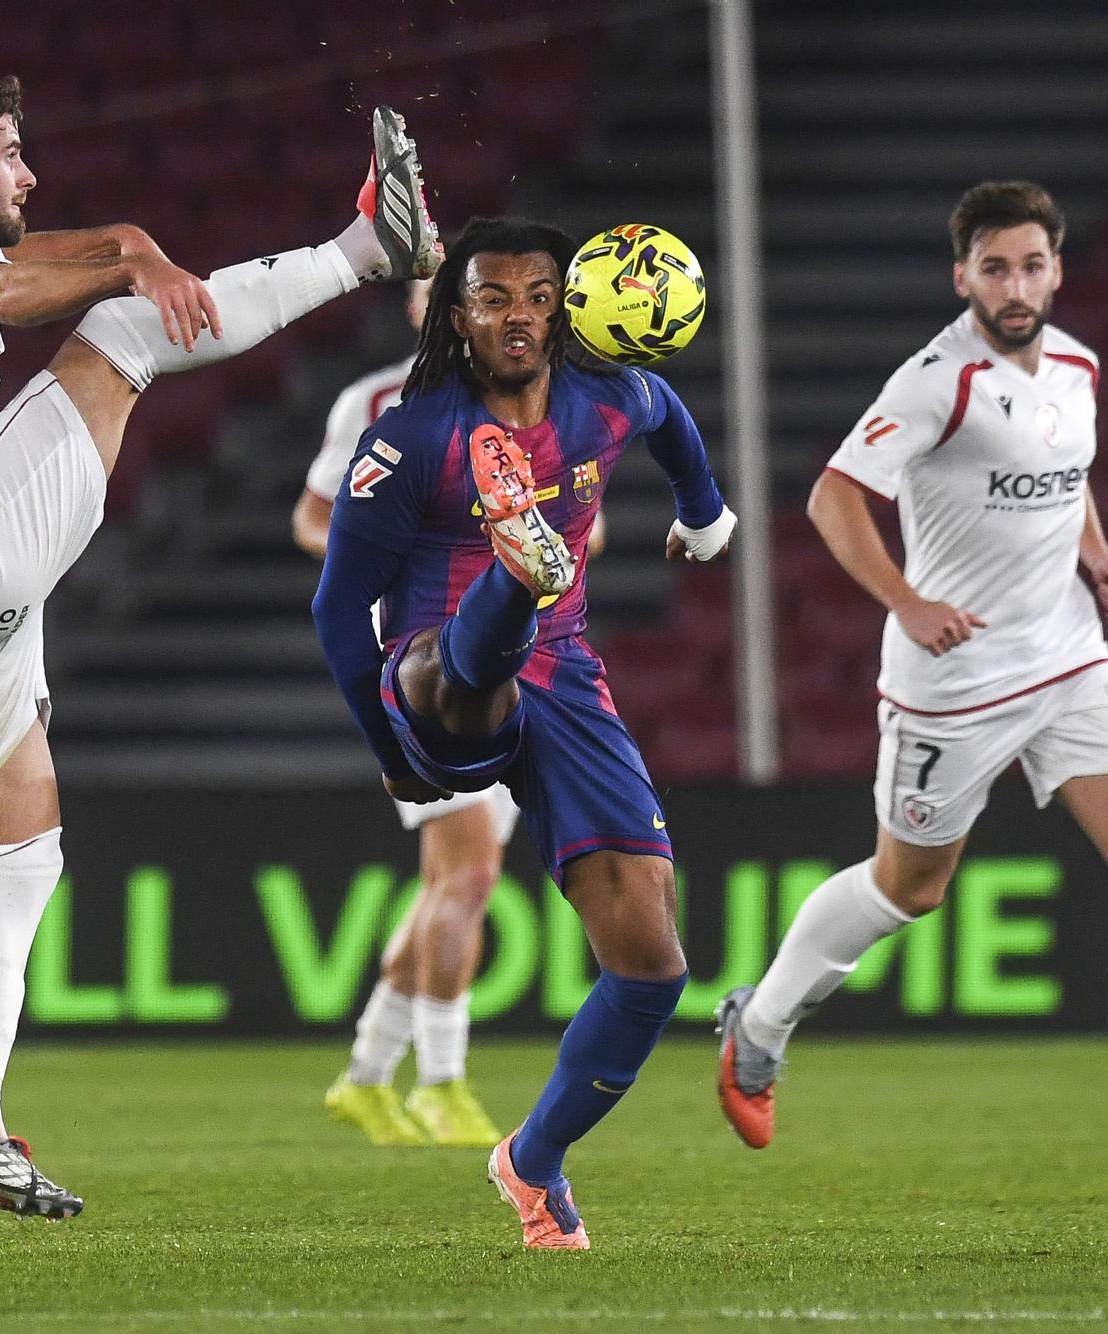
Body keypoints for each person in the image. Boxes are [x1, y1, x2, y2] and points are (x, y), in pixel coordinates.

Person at [0, 62, 443, 1219]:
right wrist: (132, 254)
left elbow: (34, 254)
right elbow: (10, 292)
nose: (28, 168)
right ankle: (368, 250)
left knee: (20, 856)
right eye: (9, 149)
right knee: (120, 333)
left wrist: (130, 237)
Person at [712, 181, 1108, 1188]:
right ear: (961, 276)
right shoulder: (937, 381)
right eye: (992, 268)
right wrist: (902, 600)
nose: (1012, 285)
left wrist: (1097, 561)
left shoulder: (1075, 366)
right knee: (908, 888)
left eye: (1028, 265)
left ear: (1055, 269)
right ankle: (755, 1025)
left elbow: (1065, 474)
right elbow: (831, 495)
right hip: (952, 679)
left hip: (1065, 660)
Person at [312, 217, 736, 1247]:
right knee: (464, 676)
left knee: (651, 968)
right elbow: (336, 605)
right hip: (427, 678)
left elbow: (670, 413)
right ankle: (514, 569)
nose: (517, 315)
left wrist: (705, 513)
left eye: (537, 295)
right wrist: (385, 753)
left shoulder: (609, 397)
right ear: (454, 316)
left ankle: (531, 1159)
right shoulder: (408, 436)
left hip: (567, 678)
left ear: (565, 306)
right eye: (491, 296)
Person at [302, 278, 599, 1149]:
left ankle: (364, 1076)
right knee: (466, 878)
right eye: (436, 292)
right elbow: (314, 518)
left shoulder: (548, 407)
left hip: (522, 663)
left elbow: (584, 528)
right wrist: (391, 542)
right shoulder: (377, 403)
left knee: (448, 883)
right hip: (421, 665)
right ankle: (441, 1081)